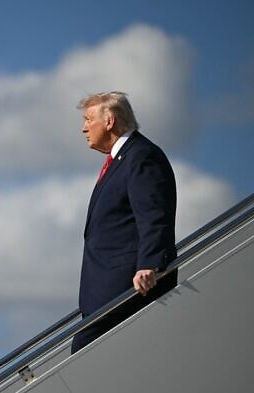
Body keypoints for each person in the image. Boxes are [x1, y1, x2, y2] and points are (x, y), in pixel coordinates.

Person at [71, 91, 178, 354]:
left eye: (88, 119)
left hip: (127, 287)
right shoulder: (122, 159)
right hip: (105, 291)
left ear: (109, 122)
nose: (83, 128)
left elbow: (153, 214)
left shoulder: (141, 156)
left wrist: (149, 264)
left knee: (84, 359)